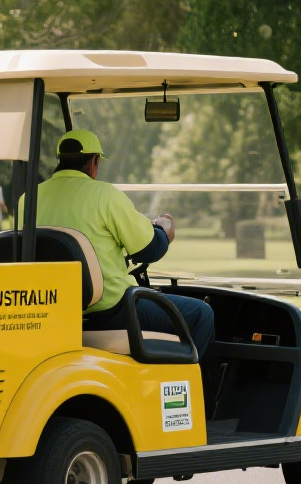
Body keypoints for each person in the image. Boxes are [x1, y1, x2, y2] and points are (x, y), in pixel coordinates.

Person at [32, 129, 215, 362]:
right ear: (93, 163)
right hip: (112, 311)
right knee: (202, 314)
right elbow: (150, 249)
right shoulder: (105, 196)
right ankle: (197, 393)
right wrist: (163, 231)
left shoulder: (27, 199)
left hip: (54, 313)